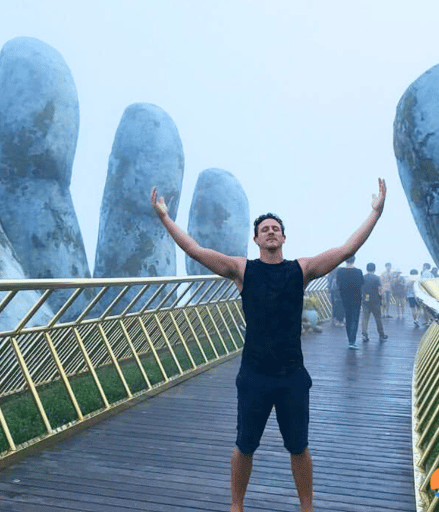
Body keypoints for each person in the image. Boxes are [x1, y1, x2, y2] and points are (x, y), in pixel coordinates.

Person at [150, 179, 387, 512]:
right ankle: (237, 506)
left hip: (291, 376)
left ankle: (307, 508)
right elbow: (195, 251)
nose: (271, 232)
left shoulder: (301, 269)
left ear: (284, 237)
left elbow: (346, 250)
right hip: (254, 375)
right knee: (245, 446)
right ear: (257, 238)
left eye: (276, 228)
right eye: (265, 229)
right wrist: (164, 217)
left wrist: (375, 213)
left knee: (299, 447)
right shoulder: (242, 269)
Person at [336, 256, 364, 349]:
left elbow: (338, 284)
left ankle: (350, 341)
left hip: (345, 298)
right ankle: (353, 341)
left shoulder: (340, 271)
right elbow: (361, 284)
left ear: (345, 260)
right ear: (354, 261)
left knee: (348, 319)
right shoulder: (358, 272)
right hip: (356, 298)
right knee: (355, 319)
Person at [360, 262, 388, 342]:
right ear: (374, 269)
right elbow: (380, 290)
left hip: (365, 300)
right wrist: (382, 299)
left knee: (365, 319)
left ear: (366, 269)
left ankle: (364, 335)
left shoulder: (362, 277)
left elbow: (360, 288)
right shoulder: (377, 278)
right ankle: (381, 335)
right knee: (378, 319)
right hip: (375, 300)